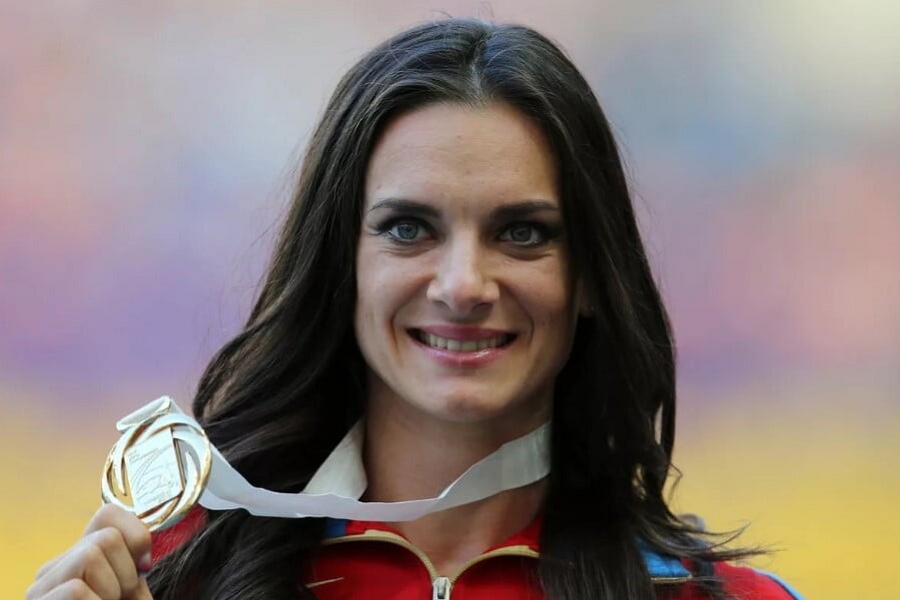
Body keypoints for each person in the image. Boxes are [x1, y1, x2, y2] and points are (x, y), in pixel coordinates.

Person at [26, 18, 805, 600]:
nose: (463, 285)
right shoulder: (169, 579)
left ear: (592, 276)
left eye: (522, 233)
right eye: (408, 229)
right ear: (342, 264)